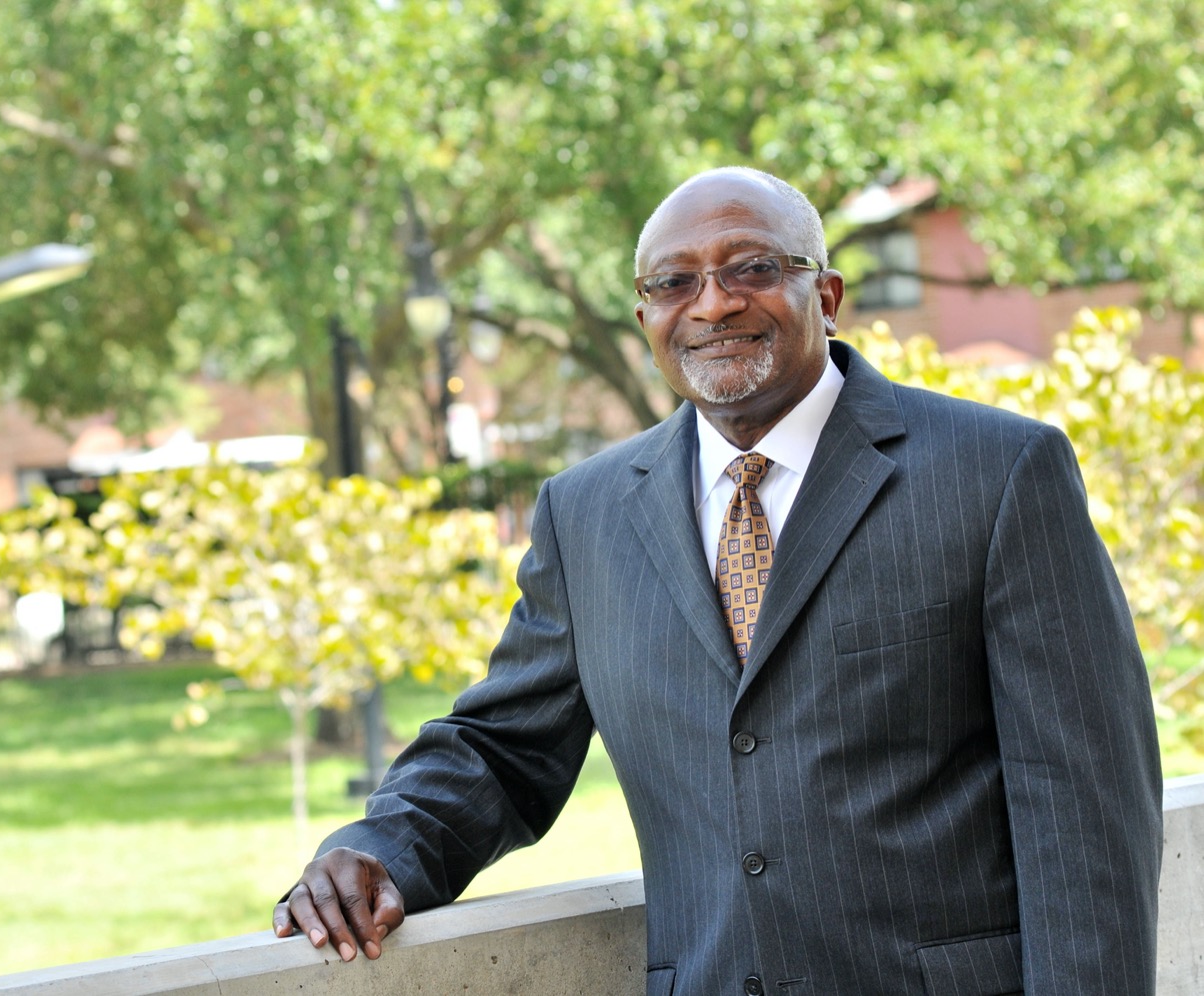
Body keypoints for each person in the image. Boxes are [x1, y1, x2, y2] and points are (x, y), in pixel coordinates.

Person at [272, 167, 1164, 995]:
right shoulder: (584, 516)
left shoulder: (998, 473)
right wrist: (382, 845)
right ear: (645, 318)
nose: (712, 303)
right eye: (673, 283)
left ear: (827, 294)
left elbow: (1084, 809)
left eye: (751, 267)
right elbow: (504, 749)